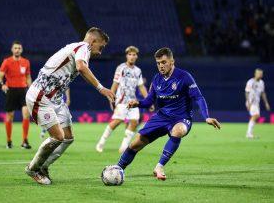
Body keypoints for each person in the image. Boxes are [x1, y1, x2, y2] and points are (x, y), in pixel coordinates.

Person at [25, 27, 115, 185]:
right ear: (93, 41)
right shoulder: (83, 48)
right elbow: (81, 67)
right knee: (58, 137)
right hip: (41, 96)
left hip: (56, 98)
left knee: (68, 137)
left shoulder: (75, 47)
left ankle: (44, 166)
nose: (100, 52)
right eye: (101, 47)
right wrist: (101, 88)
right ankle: (33, 169)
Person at [115, 47, 221, 181]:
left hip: (181, 118)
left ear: (172, 61)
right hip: (161, 117)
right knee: (135, 144)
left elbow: (198, 97)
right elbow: (149, 101)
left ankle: (159, 166)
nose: (161, 66)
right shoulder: (156, 79)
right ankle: (117, 168)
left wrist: (206, 117)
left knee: (178, 130)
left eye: (164, 62)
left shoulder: (184, 77)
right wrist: (138, 103)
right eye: (158, 63)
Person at [96, 46, 149, 153]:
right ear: (126, 56)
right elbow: (115, 83)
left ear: (136, 56)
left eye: (134, 54)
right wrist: (111, 97)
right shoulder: (121, 68)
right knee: (117, 121)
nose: (132, 57)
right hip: (121, 101)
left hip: (133, 102)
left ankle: (123, 147)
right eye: (130, 54)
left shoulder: (138, 71)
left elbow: (141, 86)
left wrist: (148, 99)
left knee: (134, 122)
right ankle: (101, 142)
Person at [0, 41, 32, 149]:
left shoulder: (26, 62)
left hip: (23, 90)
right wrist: (2, 84)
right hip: (11, 90)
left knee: (26, 114)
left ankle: (25, 141)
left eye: (19, 48)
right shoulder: (6, 62)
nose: (17, 50)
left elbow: (28, 77)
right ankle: (9, 141)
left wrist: (31, 89)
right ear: (12, 50)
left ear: (21, 50)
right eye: (15, 48)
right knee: (10, 116)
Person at [245, 68, 271, 139]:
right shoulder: (250, 82)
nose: (261, 75)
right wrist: (248, 102)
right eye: (259, 74)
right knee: (256, 115)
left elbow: (263, 93)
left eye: (261, 74)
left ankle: (250, 133)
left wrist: (266, 103)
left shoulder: (261, 83)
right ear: (255, 74)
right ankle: (248, 133)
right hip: (251, 102)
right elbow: (247, 92)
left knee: (256, 116)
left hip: (256, 103)